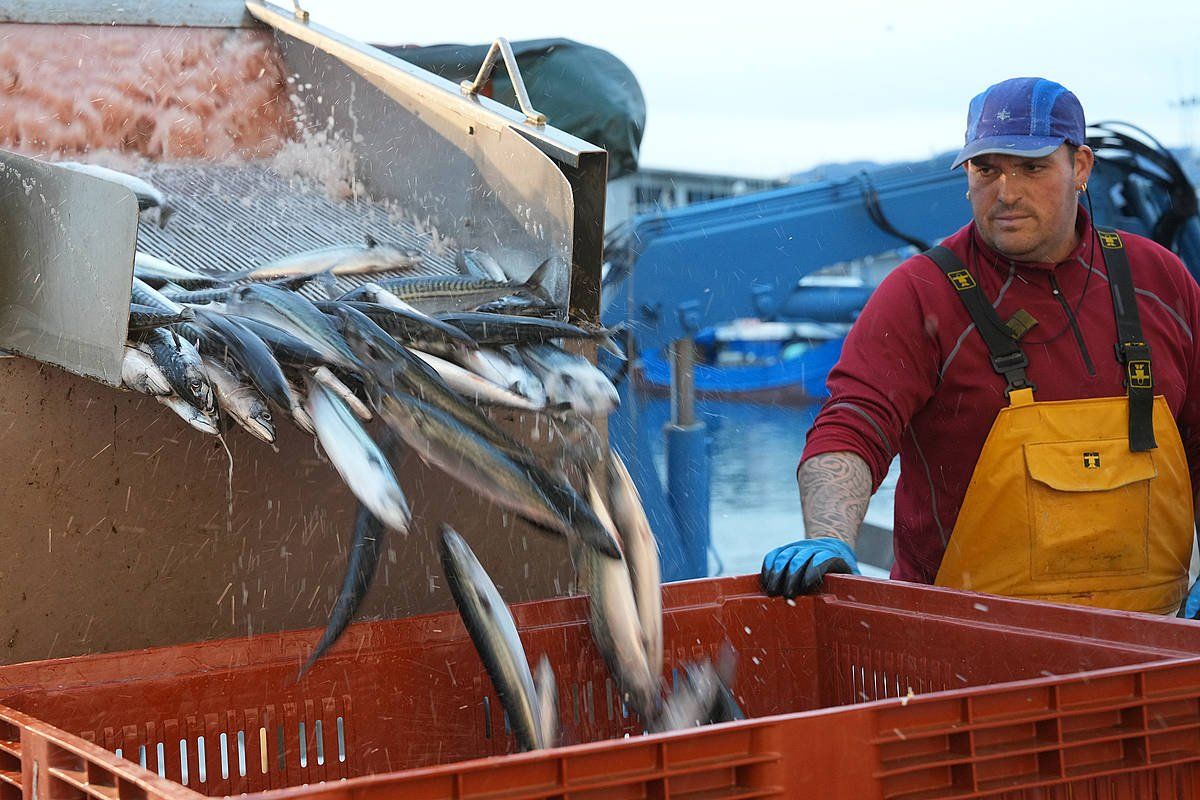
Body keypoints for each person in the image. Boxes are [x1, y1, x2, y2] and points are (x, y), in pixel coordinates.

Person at [760, 77, 1200, 616]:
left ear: (1080, 167)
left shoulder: (1160, 280)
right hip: (966, 655)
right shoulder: (921, 292)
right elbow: (852, 423)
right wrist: (830, 536)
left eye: (1032, 167)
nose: (1006, 191)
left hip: (1153, 650)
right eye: (986, 169)